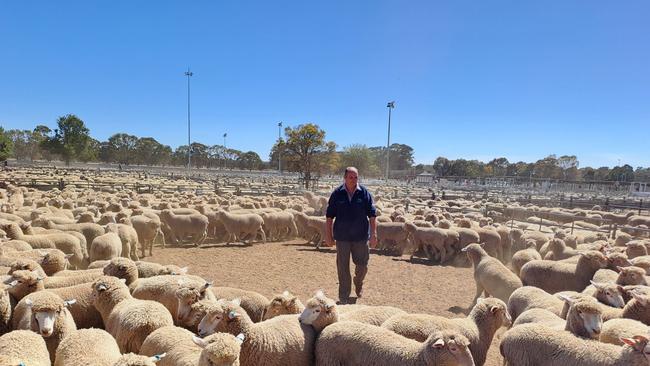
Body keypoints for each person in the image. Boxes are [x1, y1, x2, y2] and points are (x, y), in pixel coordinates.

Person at [325, 167, 377, 304]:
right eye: (351, 177)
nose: (353, 180)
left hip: (360, 237)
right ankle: (344, 296)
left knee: (362, 266)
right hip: (342, 237)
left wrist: (373, 234)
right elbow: (329, 216)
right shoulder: (337, 194)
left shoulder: (364, 193)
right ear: (345, 178)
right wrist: (328, 235)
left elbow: (372, 215)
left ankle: (358, 282)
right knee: (342, 268)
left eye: (356, 177)